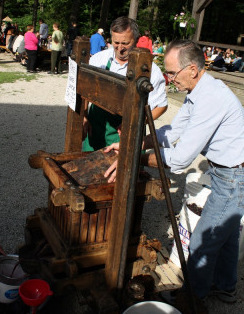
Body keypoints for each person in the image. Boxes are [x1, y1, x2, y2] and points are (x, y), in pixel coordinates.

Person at [104, 39, 244, 305]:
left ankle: (192, 299)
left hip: (234, 177)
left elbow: (179, 160)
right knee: (227, 238)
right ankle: (225, 287)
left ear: (191, 69)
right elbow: (172, 132)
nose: (168, 80)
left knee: (203, 241)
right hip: (224, 171)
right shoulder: (198, 92)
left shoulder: (211, 99)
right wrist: (131, 143)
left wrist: (135, 158)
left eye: (171, 73)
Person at [82, 16, 168, 151]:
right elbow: (83, 90)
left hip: (125, 134)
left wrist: (133, 124)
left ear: (136, 39)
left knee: (124, 171)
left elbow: (161, 106)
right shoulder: (99, 60)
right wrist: (85, 116)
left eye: (125, 43)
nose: (120, 48)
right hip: (96, 129)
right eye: (116, 43)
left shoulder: (150, 70)